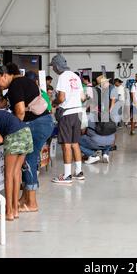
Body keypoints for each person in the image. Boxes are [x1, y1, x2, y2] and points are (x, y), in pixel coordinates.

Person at [0, 63, 53, 212]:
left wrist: (12, 130)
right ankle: (25, 198)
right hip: (43, 123)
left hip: (36, 124)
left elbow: (20, 112)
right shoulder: (22, 82)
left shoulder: (16, 84)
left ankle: (31, 203)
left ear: (6, 75)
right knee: (28, 159)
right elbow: (1, 104)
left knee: (28, 160)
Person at [49, 55, 85, 185]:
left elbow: (62, 98)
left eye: (53, 66)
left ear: (57, 66)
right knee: (75, 143)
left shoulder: (63, 77)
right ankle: (79, 172)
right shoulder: (75, 76)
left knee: (66, 145)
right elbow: (82, 97)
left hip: (67, 114)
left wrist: (54, 102)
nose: (53, 69)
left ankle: (67, 175)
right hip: (78, 112)